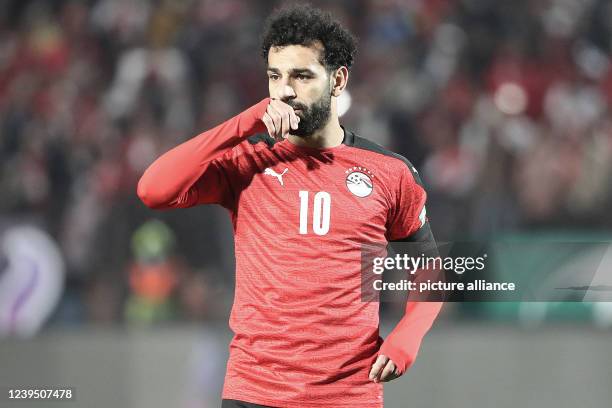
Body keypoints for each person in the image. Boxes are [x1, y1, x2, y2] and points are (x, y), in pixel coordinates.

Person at [137, 4, 442, 407]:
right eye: (275, 76)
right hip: (254, 391)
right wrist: (244, 122)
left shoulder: (389, 172)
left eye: (301, 76)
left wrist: (409, 335)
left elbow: (431, 267)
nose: (284, 90)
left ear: (338, 80)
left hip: (347, 395)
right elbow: (153, 188)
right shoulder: (247, 161)